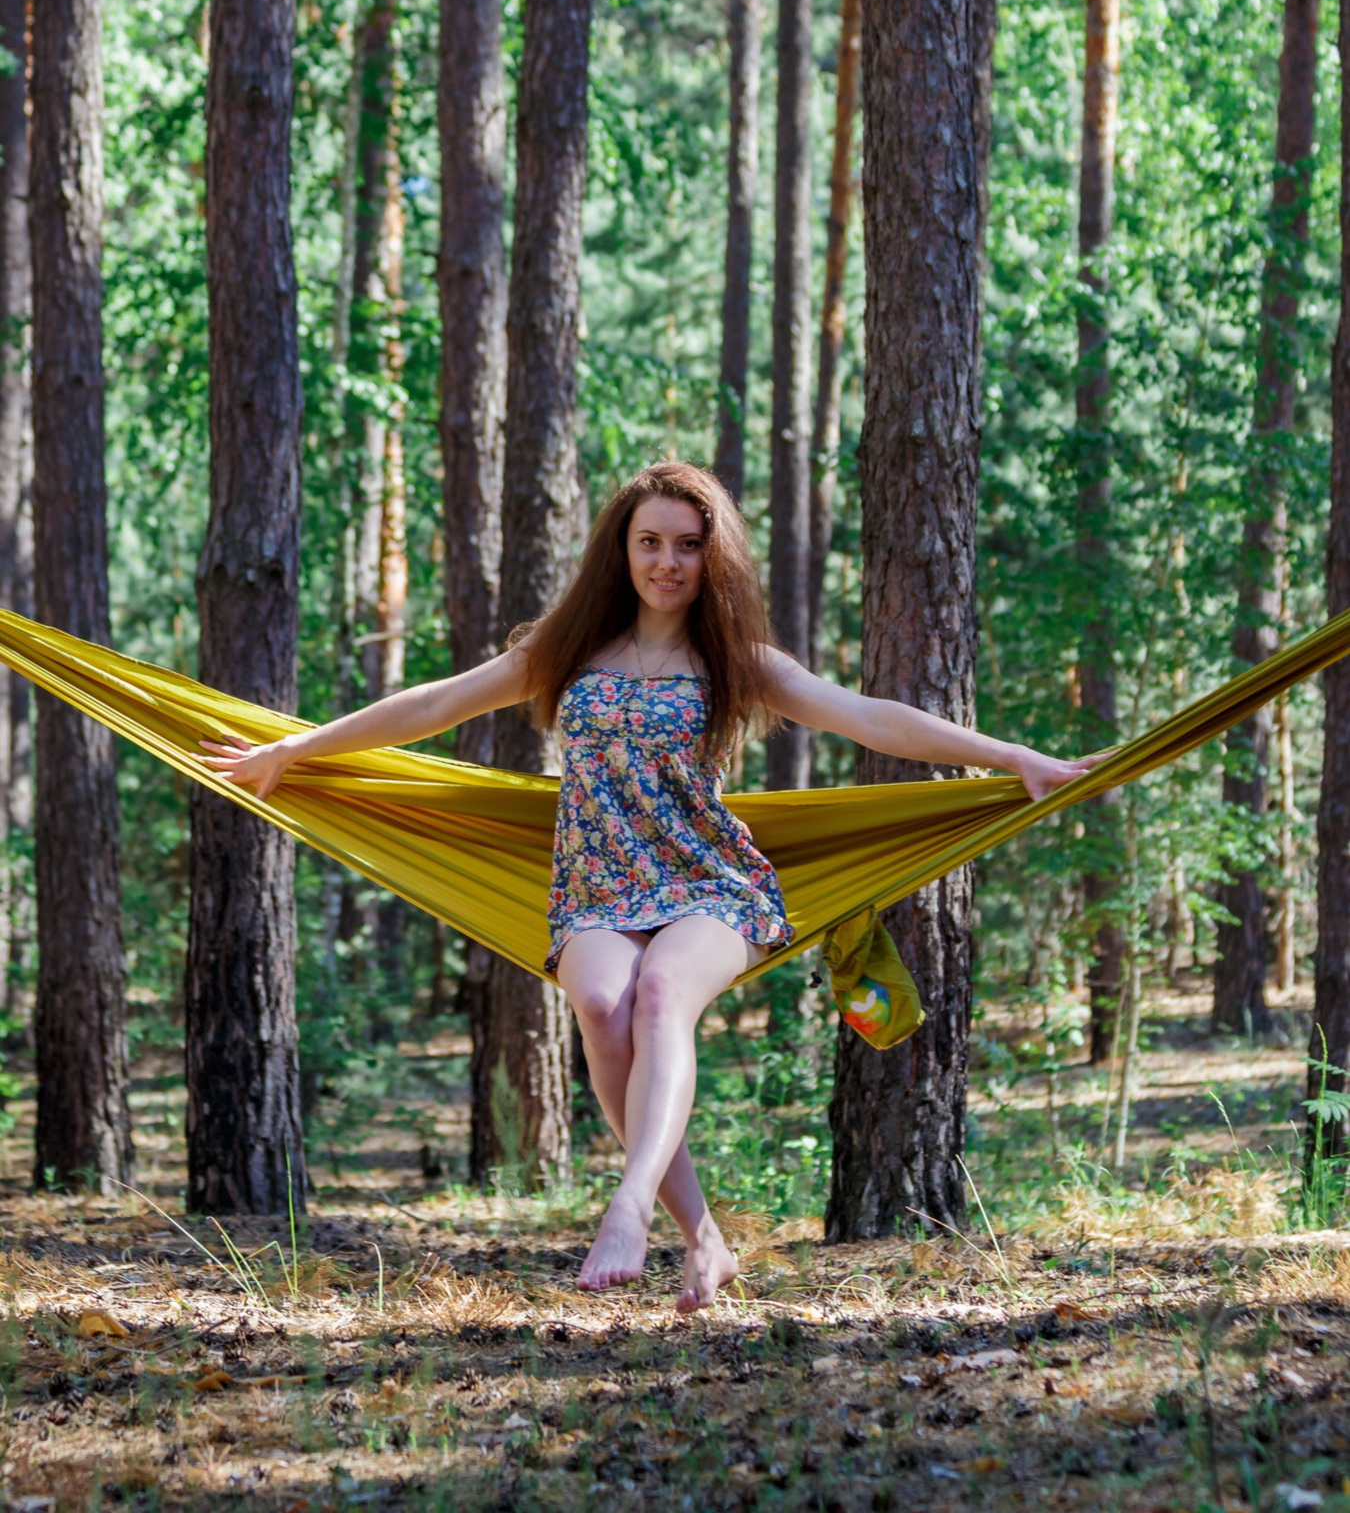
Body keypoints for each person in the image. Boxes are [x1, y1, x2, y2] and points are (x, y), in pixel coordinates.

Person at [201, 461, 1092, 1311]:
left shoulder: (738, 660)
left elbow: (871, 718)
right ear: (621, 551)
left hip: (710, 881)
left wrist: (1008, 756)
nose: (668, 562)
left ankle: (628, 1208)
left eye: (688, 545)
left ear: (713, 556)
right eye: (650, 542)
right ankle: (704, 1237)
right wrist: (297, 748)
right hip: (597, 886)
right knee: (601, 1005)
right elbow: (433, 704)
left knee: (662, 993)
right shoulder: (567, 652)